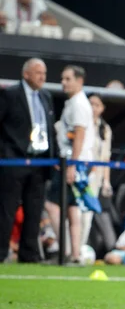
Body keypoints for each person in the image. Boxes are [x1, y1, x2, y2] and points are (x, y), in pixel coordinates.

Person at [0, 58, 55, 263]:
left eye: (44, 73)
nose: (42, 76)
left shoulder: (46, 96)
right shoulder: (10, 94)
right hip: (14, 161)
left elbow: (49, 128)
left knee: (34, 211)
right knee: (7, 209)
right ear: (26, 74)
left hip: (40, 163)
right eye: (38, 72)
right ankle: (1, 252)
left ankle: (29, 255)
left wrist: (54, 156)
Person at [46, 65, 95, 264]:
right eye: (62, 78)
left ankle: (64, 250)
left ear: (79, 81)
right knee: (72, 209)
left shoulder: (78, 104)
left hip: (75, 162)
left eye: (68, 79)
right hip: (77, 161)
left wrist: (72, 165)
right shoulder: (74, 102)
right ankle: (75, 254)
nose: (63, 82)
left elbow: (79, 136)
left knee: (51, 205)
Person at [80, 93, 113, 246]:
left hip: (95, 179)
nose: (93, 108)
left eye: (97, 105)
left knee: (87, 214)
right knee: (74, 212)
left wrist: (106, 181)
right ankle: (68, 249)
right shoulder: (80, 123)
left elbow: (105, 157)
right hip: (79, 174)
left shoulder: (105, 129)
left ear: (103, 108)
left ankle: (79, 249)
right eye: (90, 103)